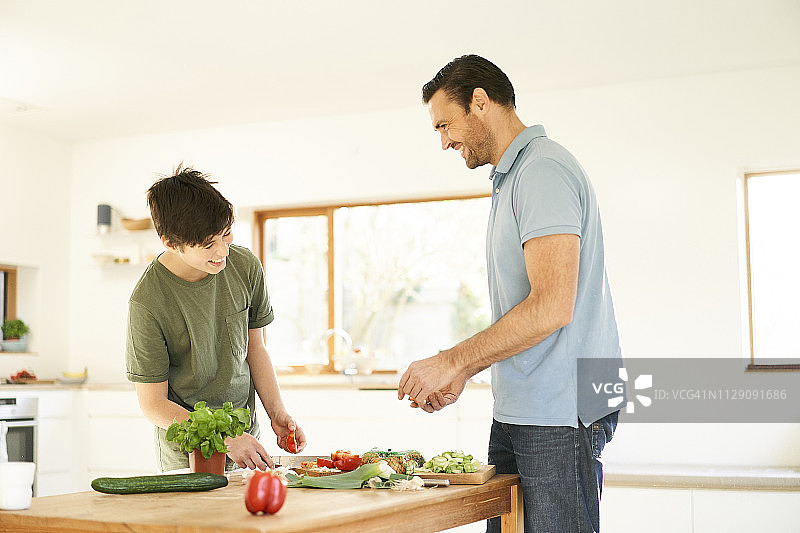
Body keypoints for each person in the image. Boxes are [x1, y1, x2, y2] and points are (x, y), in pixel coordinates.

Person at [397, 55, 621, 533]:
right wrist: (464, 372)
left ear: (480, 102)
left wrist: (454, 361)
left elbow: (552, 305)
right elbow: (526, 312)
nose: (444, 142)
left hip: (563, 412)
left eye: (445, 125)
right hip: (527, 408)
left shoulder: (543, 170)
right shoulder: (510, 179)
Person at [126, 165, 306, 472]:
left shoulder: (245, 265)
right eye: (209, 244)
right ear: (170, 243)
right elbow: (153, 405)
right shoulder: (148, 302)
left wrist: (277, 412)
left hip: (247, 439)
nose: (222, 251)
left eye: (226, 234)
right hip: (188, 450)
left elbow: (255, 349)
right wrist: (221, 436)